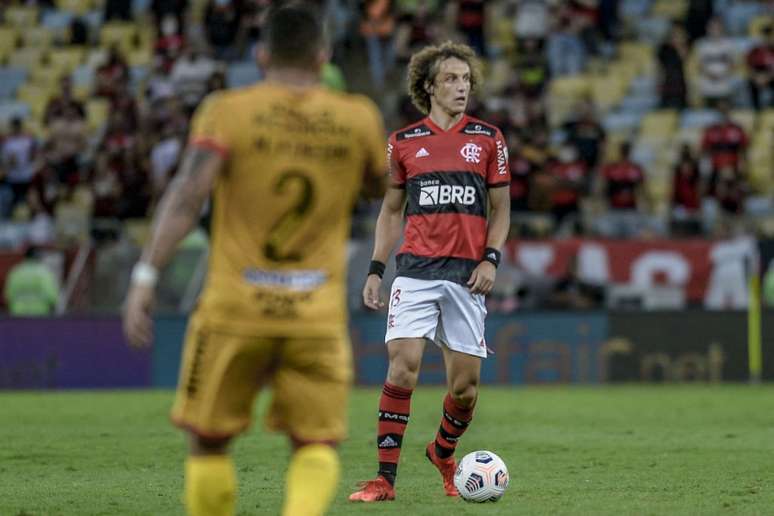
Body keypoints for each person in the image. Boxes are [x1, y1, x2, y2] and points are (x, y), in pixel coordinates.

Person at [122, 5, 386, 516]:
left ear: (261, 55)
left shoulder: (227, 111)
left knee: (208, 441)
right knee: (314, 444)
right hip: (315, 315)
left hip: (233, 310)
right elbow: (380, 184)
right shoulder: (358, 118)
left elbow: (187, 194)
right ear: (323, 55)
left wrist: (145, 276)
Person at [349, 41, 511, 502]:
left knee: (465, 390)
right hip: (416, 271)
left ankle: (443, 451)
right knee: (403, 369)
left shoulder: (488, 138)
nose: (462, 87)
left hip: (467, 276)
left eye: (466, 80)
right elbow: (390, 212)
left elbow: (501, 209)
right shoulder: (403, 142)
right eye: (451, 79)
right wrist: (376, 269)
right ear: (429, 86)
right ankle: (384, 481)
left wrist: (491, 258)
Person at [4, 247, 60, 316]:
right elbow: (52, 297)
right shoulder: (44, 273)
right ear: (39, 258)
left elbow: (8, 296)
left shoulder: (16, 272)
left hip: (18, 314)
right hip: (40, 314)